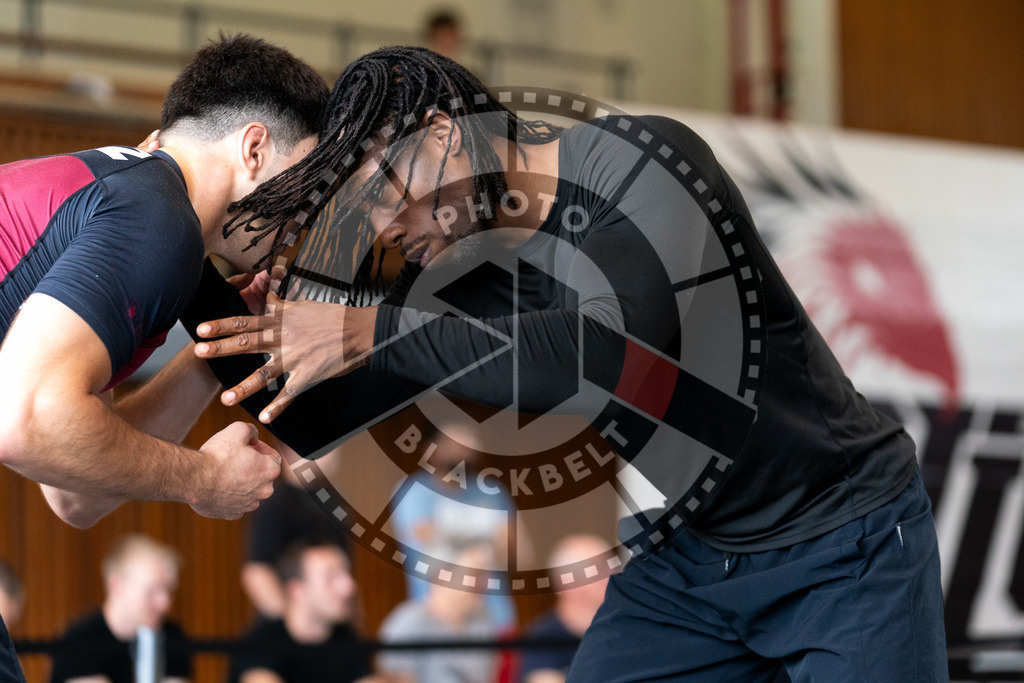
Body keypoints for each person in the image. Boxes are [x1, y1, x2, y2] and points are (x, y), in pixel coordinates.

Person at [188, 46, 947, 681]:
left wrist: (364, 329)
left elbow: (613, 354)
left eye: (385, 197)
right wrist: (192, 279)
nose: (387, 229)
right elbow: (317, 414)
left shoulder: (647, 167)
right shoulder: (455, 267)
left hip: (839, 537)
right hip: (683, 562)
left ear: (443, 135)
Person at [0, 33, 327, 681]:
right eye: (306, 182)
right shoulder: (158, 221)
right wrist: (204, 480)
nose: (304, 216)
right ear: (254, 149)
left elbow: (74, 493)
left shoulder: (126, 195)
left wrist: (210, 354)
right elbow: (24, 420)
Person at [390, 419, 517, 631]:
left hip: (496, 617)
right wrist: (484, 542)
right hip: (437, 618)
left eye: (470, 440)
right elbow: (428, 541)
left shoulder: (493, 492)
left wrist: (449, 538)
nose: (464, 448)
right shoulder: (414, 493)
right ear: (431, 450)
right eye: (454, 441)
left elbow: (512, 552)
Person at [230, 539, 379, 683]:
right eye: (331, 577)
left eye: (346, 574)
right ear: (296, 590)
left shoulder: (347, 639)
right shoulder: (261, 643)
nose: (349, 586)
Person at [50, 534, 190, 683]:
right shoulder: (80, 639)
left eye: (168, 590)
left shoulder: (171, 636)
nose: (165, 603)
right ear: (117, 586)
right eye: (153, 590)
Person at [241, 441, 350, 619]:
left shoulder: (334, 503)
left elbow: (344, 568)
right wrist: (290, 624)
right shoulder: (275, 503)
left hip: (332, 626)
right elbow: (257, 572)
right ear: (291, 452)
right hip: (290, 629)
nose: (333, 452)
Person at [377, 544, 501, 683]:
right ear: (443, 575)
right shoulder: (408, 623)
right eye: (475, 575)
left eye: (487, 575)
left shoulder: (483, 622)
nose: (485, 583)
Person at [518, 535, 613, 683]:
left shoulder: (623, 632)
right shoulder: (542, 639)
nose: (612, 576)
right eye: (599, 569)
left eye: (612, 567)